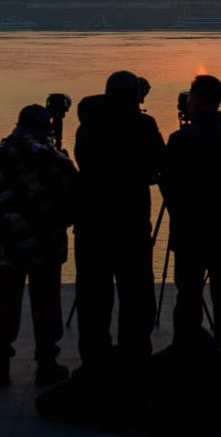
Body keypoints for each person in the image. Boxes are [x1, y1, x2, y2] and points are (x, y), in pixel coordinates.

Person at [0, 104, 78, 386]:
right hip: (45, 245)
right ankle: (46, 363)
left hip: (4, 247)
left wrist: (2, 212)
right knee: (46, 304)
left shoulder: (0, 154)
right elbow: (75, 200)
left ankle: (0, 365)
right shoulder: (54, 158)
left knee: (5, 302)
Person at [73, 71, 164, 368]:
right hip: (131, 221)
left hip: (92, 221)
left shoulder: (87, 125)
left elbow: (83, 162)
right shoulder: (144, 125)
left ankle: (94, 358)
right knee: (137, 295)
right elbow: (158, 167)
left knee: (93, 295)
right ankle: (135, 355)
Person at [161, 75, 221, 365]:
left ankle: (184, 355)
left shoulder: (179, 140)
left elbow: (168, 185)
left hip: (189, 234)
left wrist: (180, 211)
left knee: (187, 299)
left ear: (197, 101)